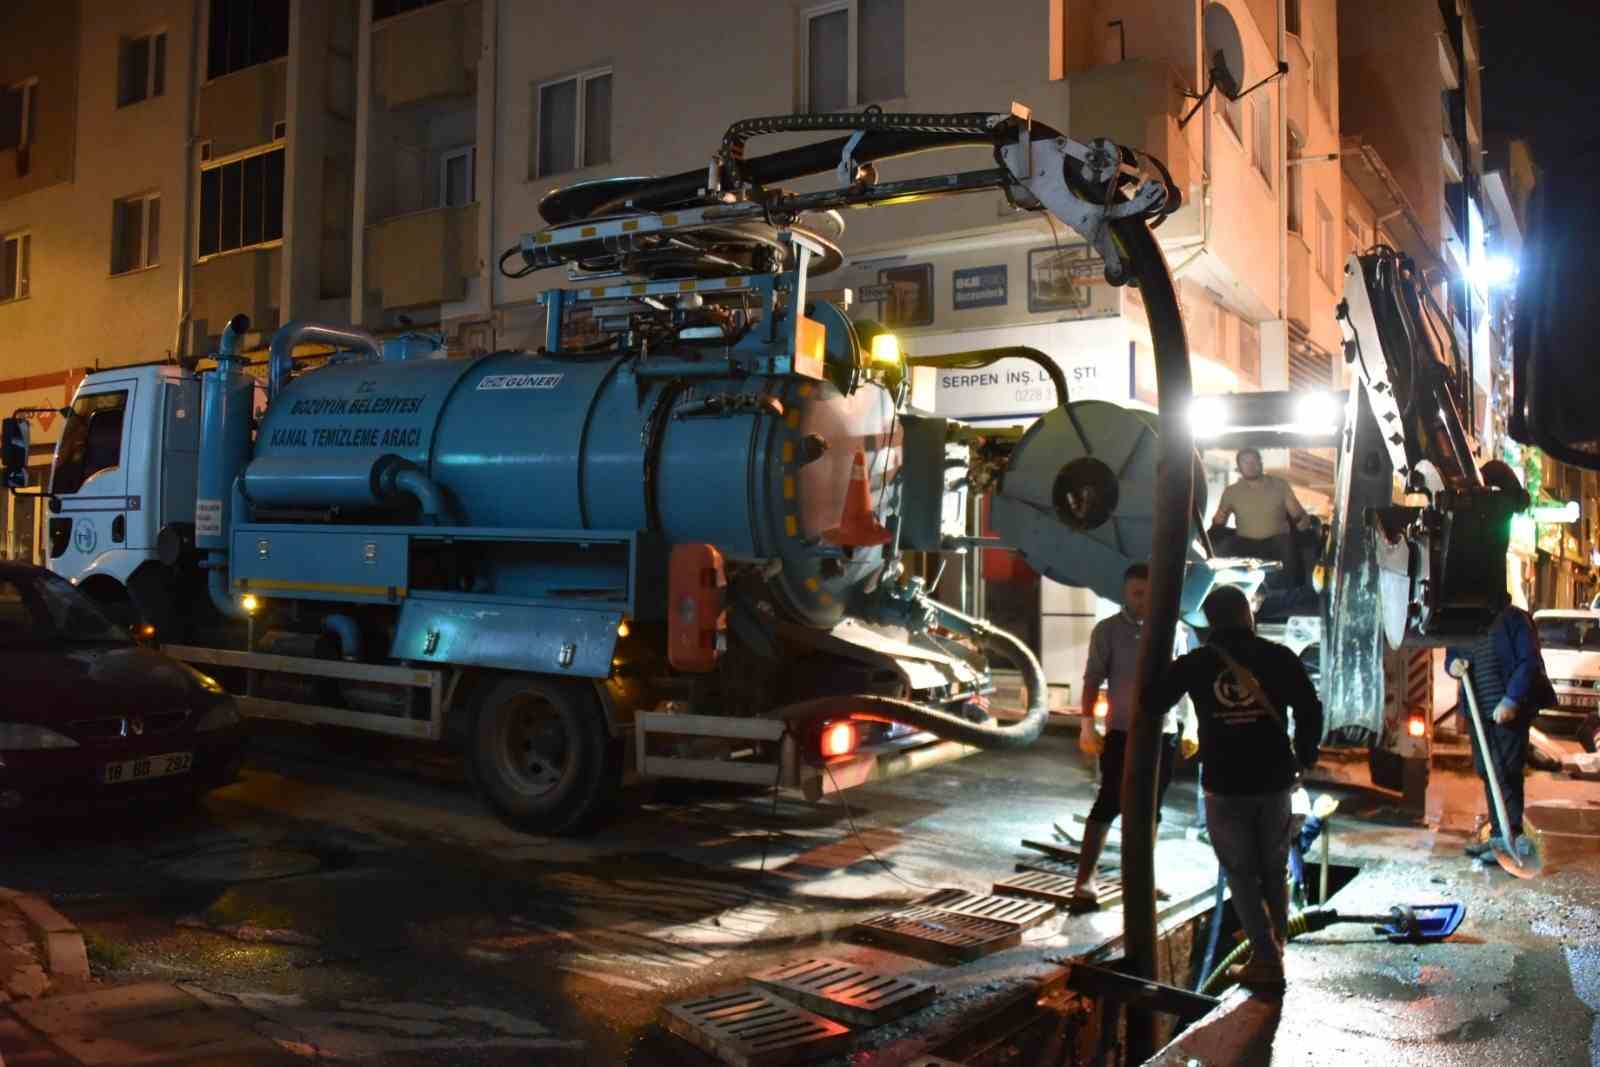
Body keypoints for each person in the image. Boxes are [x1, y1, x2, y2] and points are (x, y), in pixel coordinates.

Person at [1150, 585, 1323, 994]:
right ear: (1247, 615)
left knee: (1240, 874)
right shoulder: (1277, 656)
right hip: (1274, 780)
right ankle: (1273, 950)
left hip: (1225, 785)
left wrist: (1157, 663)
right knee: (1273, 869)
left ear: (1210, 621)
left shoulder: (1196, 663)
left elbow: (1153, 702)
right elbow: (1309, 705)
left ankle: (1266, 960)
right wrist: (1306, 753)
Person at [1073, 563, 1196, 907]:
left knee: (1151, 808)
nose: (1143, 600)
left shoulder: (1174, 631)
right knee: (1110, 801)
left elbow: (1186, 679)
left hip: (1164, 733)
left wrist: (1192, 724)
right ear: (1126, 593)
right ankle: (1086, 880)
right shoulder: (1108, 630)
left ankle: (1142, 879)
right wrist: (1087, 725)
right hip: (1123, 731)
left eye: (1148, 593)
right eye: (1136, 593)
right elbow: (1092, 679)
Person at [1446, 602, 1555, 863]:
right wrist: (1452, 665)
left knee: (1506, 772)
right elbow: (1452, 653)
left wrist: (1512, 700)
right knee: (1488, 771)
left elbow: (1528, 662)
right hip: (1478, 710)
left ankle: (1512, 834)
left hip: (1507, 710)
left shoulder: (1514, 619)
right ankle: (1498, 835)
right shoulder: (1465, 622)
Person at [1208, 449, 1312, 583]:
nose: (1250, 465)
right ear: (1239, 467)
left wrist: (1303, 522)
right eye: (1245, 462)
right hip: (1244, 544)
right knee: (1222, 546)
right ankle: (1224, 586)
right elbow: (1218, 522)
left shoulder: (1280, 486)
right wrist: (1206, 538)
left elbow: (1298, 515)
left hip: (1276, 543)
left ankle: (1287, 591)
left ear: (1261, 463)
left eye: (1253, 461)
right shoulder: (1231, 492)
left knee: (1286, 544)